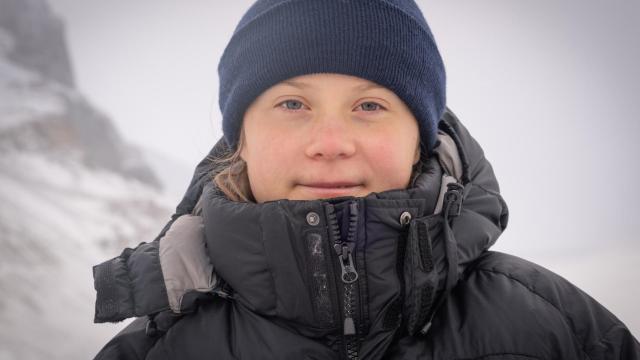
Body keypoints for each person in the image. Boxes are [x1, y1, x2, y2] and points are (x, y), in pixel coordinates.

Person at [91, 0, 640, 359]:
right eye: (291, 103)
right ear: (241, 142)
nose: (331, 142)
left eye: (370, 105)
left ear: (420, 140)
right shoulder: (156, 352)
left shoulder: (555, 329)